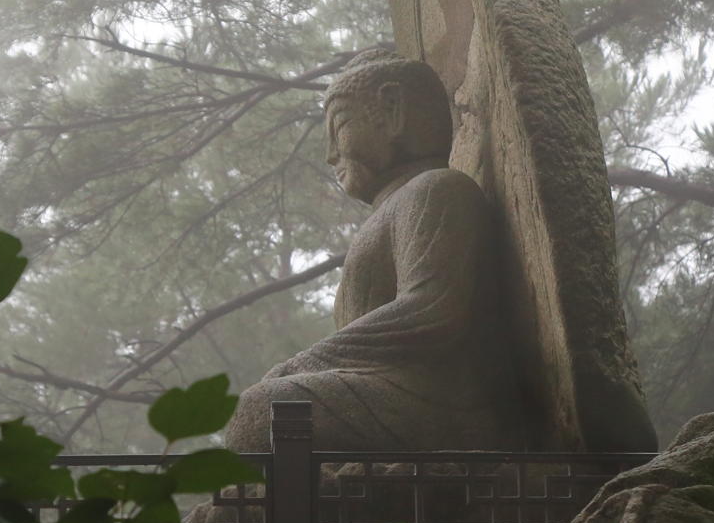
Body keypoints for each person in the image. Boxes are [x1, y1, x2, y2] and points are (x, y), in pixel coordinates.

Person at [226, 47, 536, 452]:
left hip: (446, 401)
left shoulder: (437, 188)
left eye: (339, 127)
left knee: (260, 410)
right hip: (395, 388)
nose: (331, 153)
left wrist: (302, 365)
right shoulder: (398, 205)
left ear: (392, 111)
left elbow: (430, 310)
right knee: (257, 414)